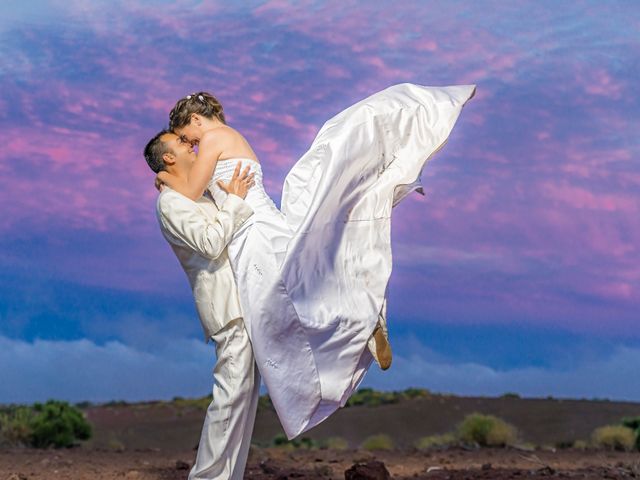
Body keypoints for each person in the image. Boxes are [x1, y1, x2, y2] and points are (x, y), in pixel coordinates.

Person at [154, 82, 477, 439]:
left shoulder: (214, 139)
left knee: (271, 313)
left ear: (197, 119)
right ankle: (359, 320)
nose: (193, 147)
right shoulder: (231, 136)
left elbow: (191, 190)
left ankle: (357, 323)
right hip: (262, 221)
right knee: (295, 295)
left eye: (188, 137)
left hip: (250, 231)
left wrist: (164, 175)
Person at [143, 129, 258, 480]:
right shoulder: (170, 204)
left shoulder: (190, 193)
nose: (191, 144)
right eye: (181, 143)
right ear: (168, 158)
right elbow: (209, 243)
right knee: (230, 397)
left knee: (244, 401)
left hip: (244, 300)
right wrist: (236, 202)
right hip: (226, 309)